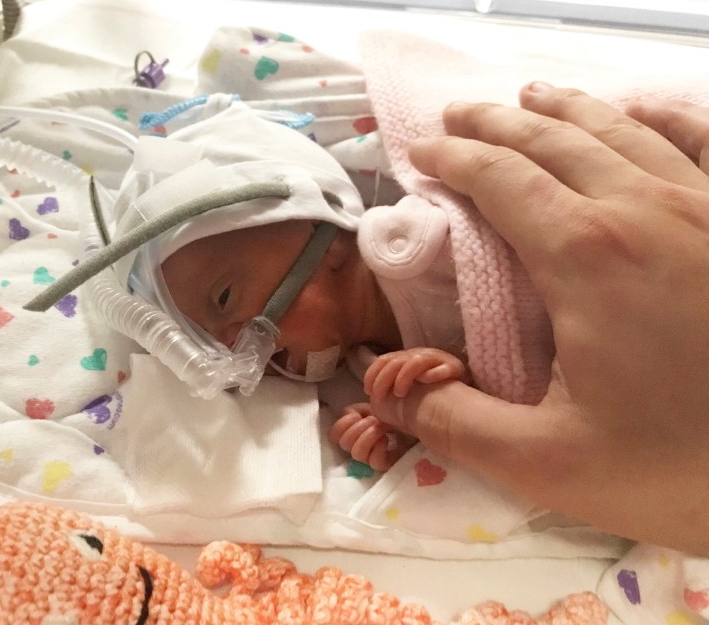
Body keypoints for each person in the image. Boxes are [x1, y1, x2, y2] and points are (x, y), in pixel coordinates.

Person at [162, 86, 709, 556]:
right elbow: (486, 386)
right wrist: (403, 415)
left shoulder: (412, 237)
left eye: (226, 298)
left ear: (319, 233)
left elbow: (527, 270)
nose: (241, 348)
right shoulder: (367, 363)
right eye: (218, 344)